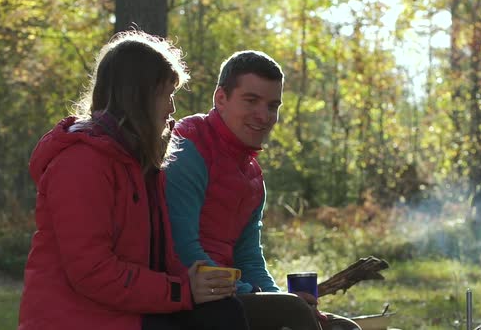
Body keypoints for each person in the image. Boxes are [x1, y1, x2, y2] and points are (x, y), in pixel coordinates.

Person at [18, 30, 248, 330]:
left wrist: (199, 283)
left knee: (222, 311)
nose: (172, 109)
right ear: (139, 96)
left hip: (125, 312)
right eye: (167, 95)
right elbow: (93, 271)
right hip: (80, 318)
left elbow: (157, 258)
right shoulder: (81, 163)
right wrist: (180, 290)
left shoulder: (139, 164)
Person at [165, 50, 360, 330]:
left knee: (343, 327)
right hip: (190, 297)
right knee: (292, 314)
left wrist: (280, 297)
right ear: (221, 98)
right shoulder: (187, 148)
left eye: (272, 105)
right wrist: (259, 296)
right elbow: (181, 251)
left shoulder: (252, 173)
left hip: (230, 294)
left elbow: (249, 257)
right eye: (251, 100)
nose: (264, 115)